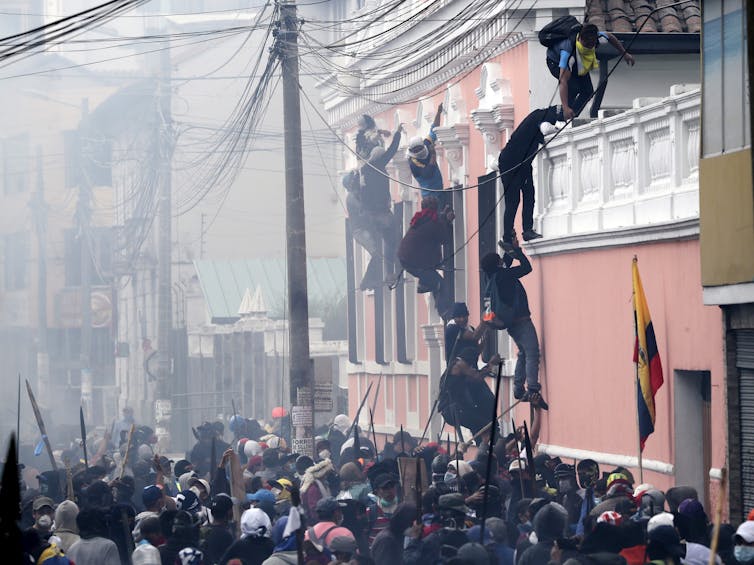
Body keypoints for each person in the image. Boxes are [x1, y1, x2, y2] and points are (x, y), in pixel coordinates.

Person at [480, 237, 548, 409]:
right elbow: (527, 267)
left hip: (509, 323)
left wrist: (509, 249)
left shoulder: (491, 278)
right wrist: (517, 251)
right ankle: (532, 389)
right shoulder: (504, 275)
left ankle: (518, 388)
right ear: (497, 264)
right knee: (532, 352)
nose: (503, 261)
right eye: (500, 260)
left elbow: (505, 263)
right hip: (521, 321)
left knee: (524, 353)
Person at [546, 22, 636, 121]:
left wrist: (624, 53)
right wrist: (566, 107)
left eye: (592, 44)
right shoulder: (567, 51)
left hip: (579, 61)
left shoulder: (598, 37)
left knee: (588, 91)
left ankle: (572, 116)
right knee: (574, 86)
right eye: (586, 44)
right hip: (554, 61)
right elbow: (563, 81)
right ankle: (564, 115)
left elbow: (610, 37)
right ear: (580, 38)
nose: (589, 47)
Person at [497, 106, 558, 248]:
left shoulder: (536, 117)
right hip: (512, 163)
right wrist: (556, 129)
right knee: (513, 201)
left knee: (529, 194)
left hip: (522, 163)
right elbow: (546, 129)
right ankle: (508, 237)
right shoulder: (541, 119)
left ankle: (526, 230)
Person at [397, 195, 455, 318]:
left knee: (432, 279)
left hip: (408, 259)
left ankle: (424, 284)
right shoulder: (432, 222)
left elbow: (433, 228)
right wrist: (447, 220)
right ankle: (444, 312)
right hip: (415, 262)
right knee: (440, 284)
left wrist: (443, 218)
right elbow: (444, 238)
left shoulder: (422, 218)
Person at [407, 104, 444, 197]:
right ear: (412, 151)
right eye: (415, 150)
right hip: (429, 194)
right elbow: (428, 172)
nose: (418, 151)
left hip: (440, 189)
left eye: (419, 148)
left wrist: (439, 112)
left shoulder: (427, 144)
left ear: (423, 145)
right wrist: (433, 154)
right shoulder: (413, 162)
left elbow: (433, 129)